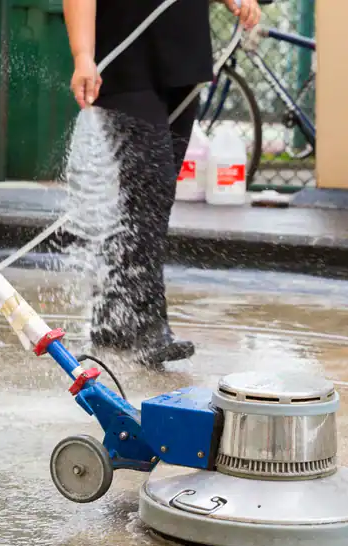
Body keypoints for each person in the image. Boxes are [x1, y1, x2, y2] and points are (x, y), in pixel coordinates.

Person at [63, 0, 260, 367]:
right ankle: (146, 324)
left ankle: (112, 319)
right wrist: (83, 55)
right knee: (149, 190)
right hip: (124, 60)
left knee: (153, 194)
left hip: (182, 56)